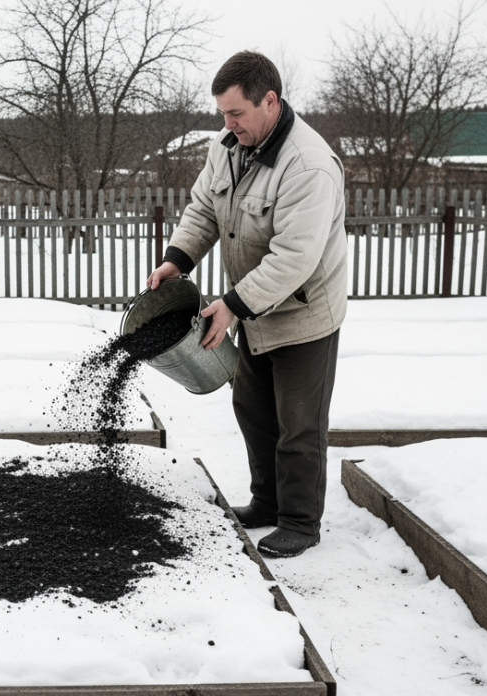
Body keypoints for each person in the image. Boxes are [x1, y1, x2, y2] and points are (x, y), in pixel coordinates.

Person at [146, 51, 347, 558]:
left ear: (270, 101)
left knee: (298, 423)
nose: (228, 125)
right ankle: (267, 503)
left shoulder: (308, 165)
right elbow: (204, 209)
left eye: (236, 113)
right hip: (253, 308)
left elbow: (295, 257)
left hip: (302, 313)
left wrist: (233, 305)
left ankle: (300, 521)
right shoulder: (228, 147)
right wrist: (176, 260)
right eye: (223, 114)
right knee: (253, 410)